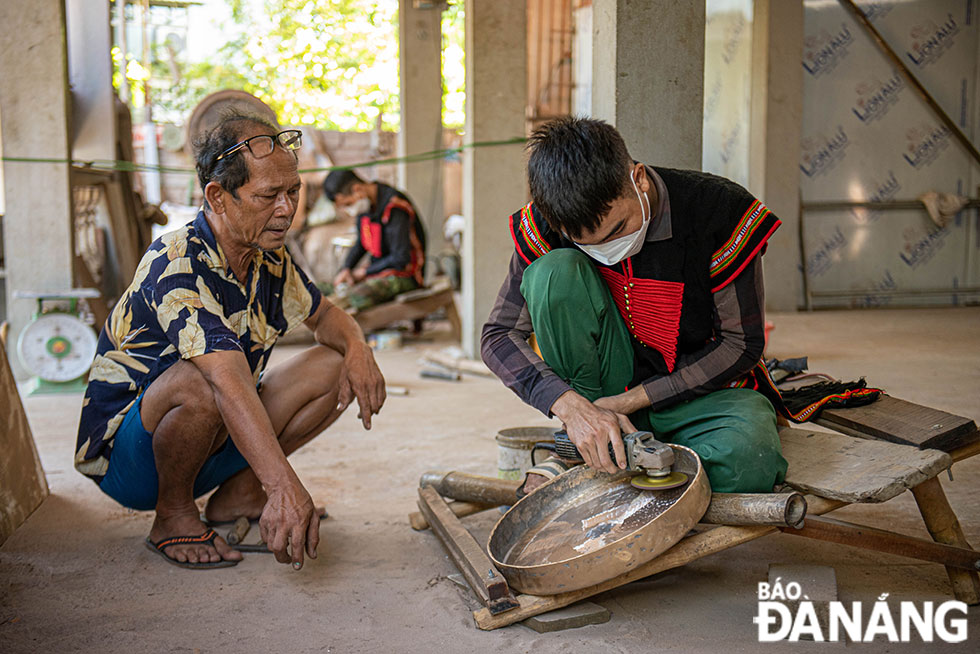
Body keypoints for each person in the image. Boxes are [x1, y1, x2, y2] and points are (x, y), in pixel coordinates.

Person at [74, 110, 386, 570]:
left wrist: (359, 349)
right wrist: (286, 488)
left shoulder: (269, 257)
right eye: (268, 195)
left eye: (293, 192)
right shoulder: (175, 262)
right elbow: (226, 382)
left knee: (334, 362)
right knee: (200, 382)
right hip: (134, 461)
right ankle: (173, 514)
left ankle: (238, 496)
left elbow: (328, 318)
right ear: (217, 197)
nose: (286, 210)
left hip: (213, 441)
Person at [481, 117, 788, 495]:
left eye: (616, 230)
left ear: (638, 179)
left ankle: (596, 458)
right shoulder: (550, 219)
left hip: (700, 394)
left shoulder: (717, 212)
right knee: (553, 273)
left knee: (750, 458)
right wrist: (573, 407)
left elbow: (740, 344)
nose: (606, 252)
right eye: (587, 244)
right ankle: (595, 442)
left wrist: (629, 402)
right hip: (600, 396)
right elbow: (498, 335)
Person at [322, 170, 426, 311]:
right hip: (378, 272)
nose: (349, 210)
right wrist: (346, 268)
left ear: (357, 190)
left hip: (406, 275)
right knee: (320, 289)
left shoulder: (395, 206)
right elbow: (361, 243)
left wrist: (364, 272)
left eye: (348, 204)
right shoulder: (366, 207)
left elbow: (400, 258)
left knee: (356, 296)